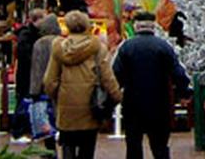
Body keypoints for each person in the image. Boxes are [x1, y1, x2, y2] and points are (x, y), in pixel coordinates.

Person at [113, 11, 192, 159]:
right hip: (159, 104)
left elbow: (116, 75)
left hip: (133, 104)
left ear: (136, 27)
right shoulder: (163, 46)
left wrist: (112, 98)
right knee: (160, 146)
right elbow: (177, 71)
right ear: (153, 27)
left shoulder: (126, 47)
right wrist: (184, 92)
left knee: (133, 145)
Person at [44, 10, 121, 159]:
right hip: (90, 106)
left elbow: (50, 80)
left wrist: (56, 96)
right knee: (87, 147)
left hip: (66, 106)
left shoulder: (58, 48)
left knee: (68, 146)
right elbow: (107, 77)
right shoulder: (97, 47)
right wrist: (117, 96)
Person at [12, 8, 46, 142]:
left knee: (34, 102)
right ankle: (18, 131)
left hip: (32, 74)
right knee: (24, 101)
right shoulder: (26, 35)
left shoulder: (34, 34)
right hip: (27, 75)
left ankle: (33, 129)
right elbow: (25, 55)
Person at [30, 14, 62, 155]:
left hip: (43, 89)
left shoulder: (39, 44)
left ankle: (49, 153)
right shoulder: (62, 42)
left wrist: (34, 90)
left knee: (44, 124)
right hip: (60, 88)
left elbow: (36, 69)